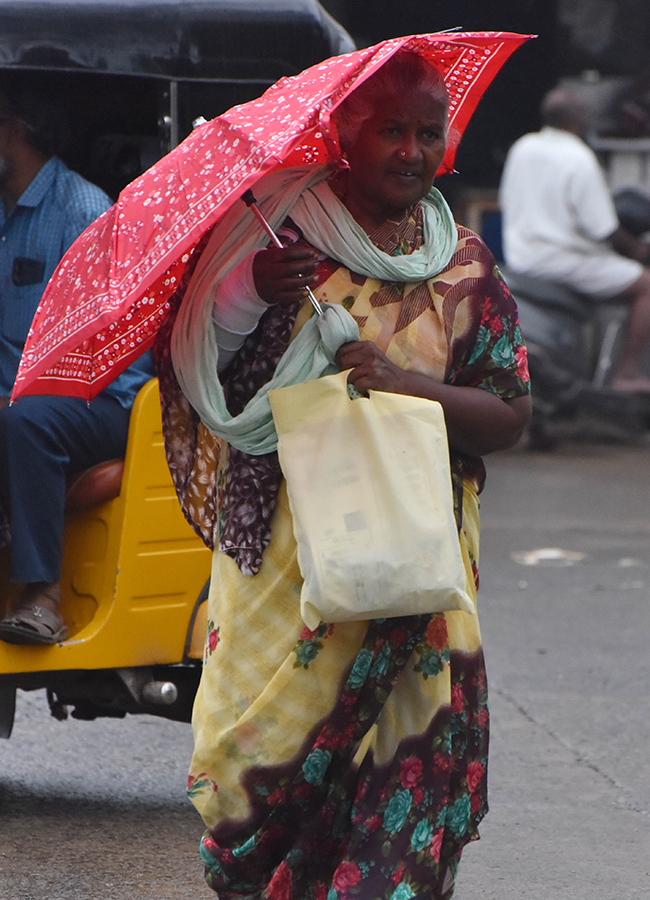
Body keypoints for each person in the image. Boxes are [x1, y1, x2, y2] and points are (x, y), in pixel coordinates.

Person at [154, 51, 531, 900]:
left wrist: (407, 389)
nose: (410, 149)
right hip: (290, 573)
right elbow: (203, 384)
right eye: (388, 130)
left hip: (420, 574)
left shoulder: (466, 266)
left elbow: (508, 416)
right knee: (269, 776)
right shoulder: (273, 243)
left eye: (426, 131)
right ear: (343, 137)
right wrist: (247, 292)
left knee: (411, 775)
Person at [0, 82, 153, 646]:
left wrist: (15, 395)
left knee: (25, 421)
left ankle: (43, 596)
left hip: (105, 401)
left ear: (12, 129)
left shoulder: (82, 210)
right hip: (22, 396)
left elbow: (101, 350)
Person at [499, 86, 650, 392]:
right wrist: (637, 249)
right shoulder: (578, 157)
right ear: (579, 122)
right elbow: (602, 228)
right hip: (560, 260)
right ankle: (626, 374)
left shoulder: (523, 147)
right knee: (646, 284)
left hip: (520, 257)